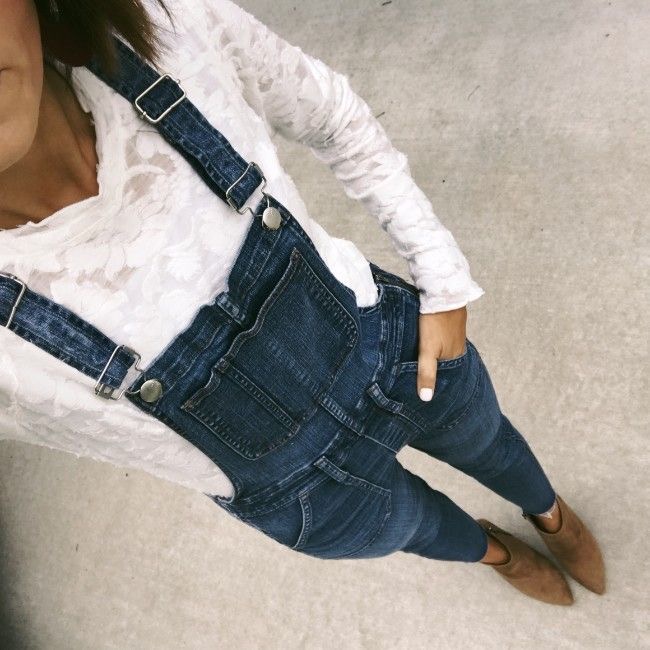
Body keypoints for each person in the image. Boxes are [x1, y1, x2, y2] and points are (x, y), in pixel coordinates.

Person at [0, 0, 605, 605]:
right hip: (308, 500)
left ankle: (550, 514)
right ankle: (495, 550)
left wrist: (442, 277)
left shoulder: (169, 33)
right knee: (421, 529)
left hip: (401, 356)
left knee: (493, 445)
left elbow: (332, 115)